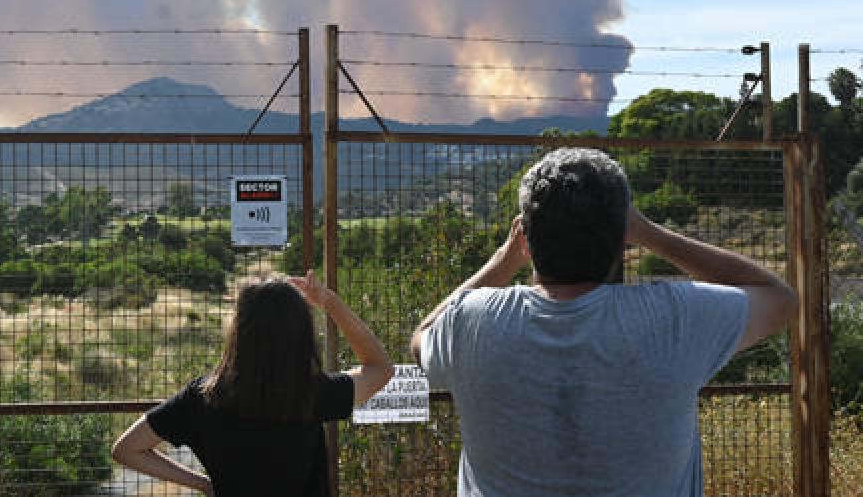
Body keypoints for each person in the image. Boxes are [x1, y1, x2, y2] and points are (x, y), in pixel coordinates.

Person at [411, 147, 797, 497]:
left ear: (527, 240)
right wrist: (652, 234)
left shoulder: (471, 321)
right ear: (622, 238)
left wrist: (503, 261)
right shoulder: (677, 315)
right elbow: (780, 299)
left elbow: (422, 339)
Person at [112, 271, 394, 496]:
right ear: (301, 335)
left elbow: (126, 449)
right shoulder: (313, 395)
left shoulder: (203, 397)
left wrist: (201, 483)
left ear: (239, 331)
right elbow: (380, 368)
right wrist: (330, 303)